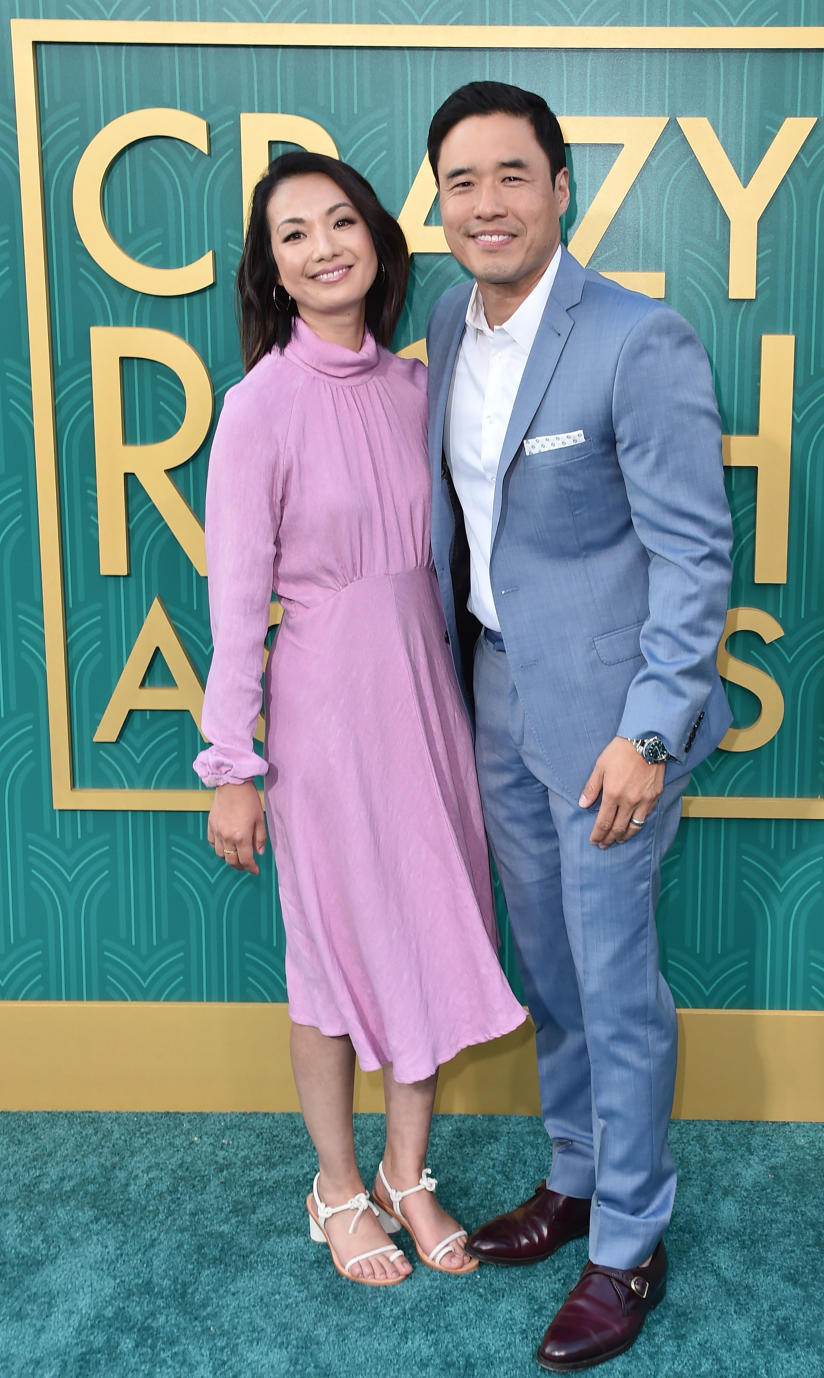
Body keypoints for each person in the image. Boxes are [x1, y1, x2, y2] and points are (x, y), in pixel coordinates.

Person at [425, 83, 733, 1367]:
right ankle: (574, 1176)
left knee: (614, 984)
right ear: (437, 203)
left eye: (512, 175)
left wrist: (651, 730)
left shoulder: (636, 337)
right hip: (497, 686)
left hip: (614, 720)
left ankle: (630, 1241)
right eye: (461, 181)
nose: (487, 202)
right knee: (546, 963)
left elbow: (695, 551)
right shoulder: (447, 323)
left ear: (562, 188)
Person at [194, 150, 526, 1288]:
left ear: (378, 240)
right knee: (332, 958)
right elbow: (236, 599)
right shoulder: (257, 407)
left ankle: (407, 1172)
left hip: (426, 698)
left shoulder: (418, 390)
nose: (324, 246)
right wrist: (231, 762)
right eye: (294, 234)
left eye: (342, 221)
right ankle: (336, 1188)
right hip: (325, 710)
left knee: (429, 929)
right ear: (273, 270)